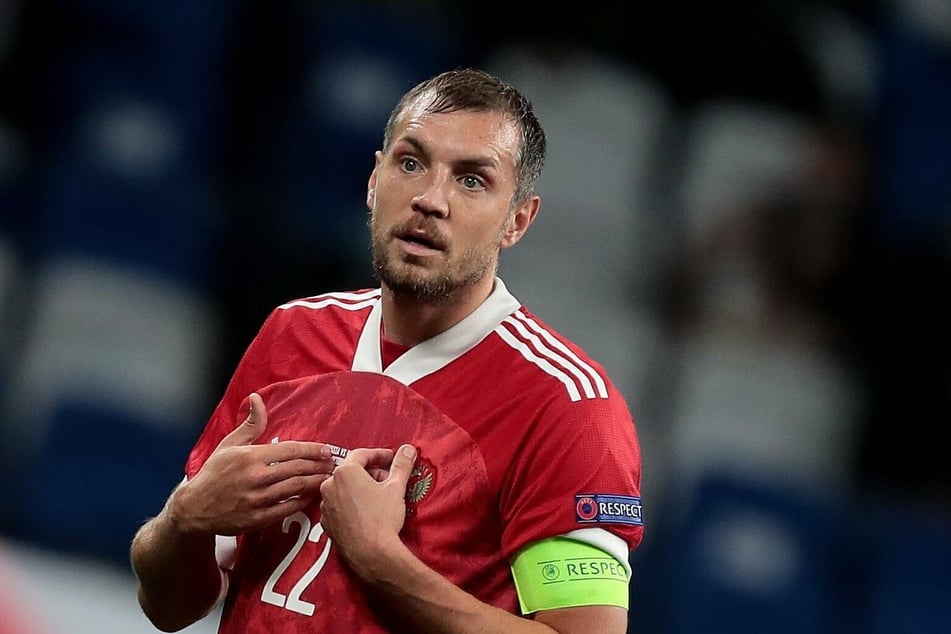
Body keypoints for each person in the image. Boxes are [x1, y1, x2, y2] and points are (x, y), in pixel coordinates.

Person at [129, 67, 644, 633]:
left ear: (517, 221)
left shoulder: (567, 406)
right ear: (375, 180)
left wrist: (381, 559)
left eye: (472, 180)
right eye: (411, 162)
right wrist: (184, 520)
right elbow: (169, 607)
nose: (430, 199)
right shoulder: (292, 333)